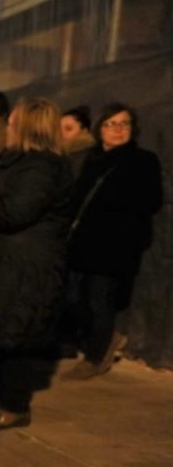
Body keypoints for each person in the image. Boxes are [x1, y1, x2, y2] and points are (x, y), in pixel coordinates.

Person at [0, 98, 74, 429]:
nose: (7, 127)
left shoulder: (42, 167)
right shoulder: (24, 163)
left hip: (29, 265)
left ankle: (15, 405)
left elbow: (17, 212)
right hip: (14, 260)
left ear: (27, 126)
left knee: (18, 334)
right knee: (2, 330)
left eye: (13, 122)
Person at [64, 103, 162, 379]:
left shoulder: (143, 160)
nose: (118, 129)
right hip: (82, 243)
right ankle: (102, 340)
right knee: (73, 297)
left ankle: (96, 357)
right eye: (111, 124)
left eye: (124, 124)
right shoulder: (89, 159)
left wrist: (121, 210)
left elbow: (151, 201)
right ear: (100, 129)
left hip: (115, 245)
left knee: (100, 300)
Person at [59, 105, 95, 180]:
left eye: (68, 129)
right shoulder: (63, 155)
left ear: (84, 131)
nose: (61, 133)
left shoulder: (84, 157)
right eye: (58, 128)